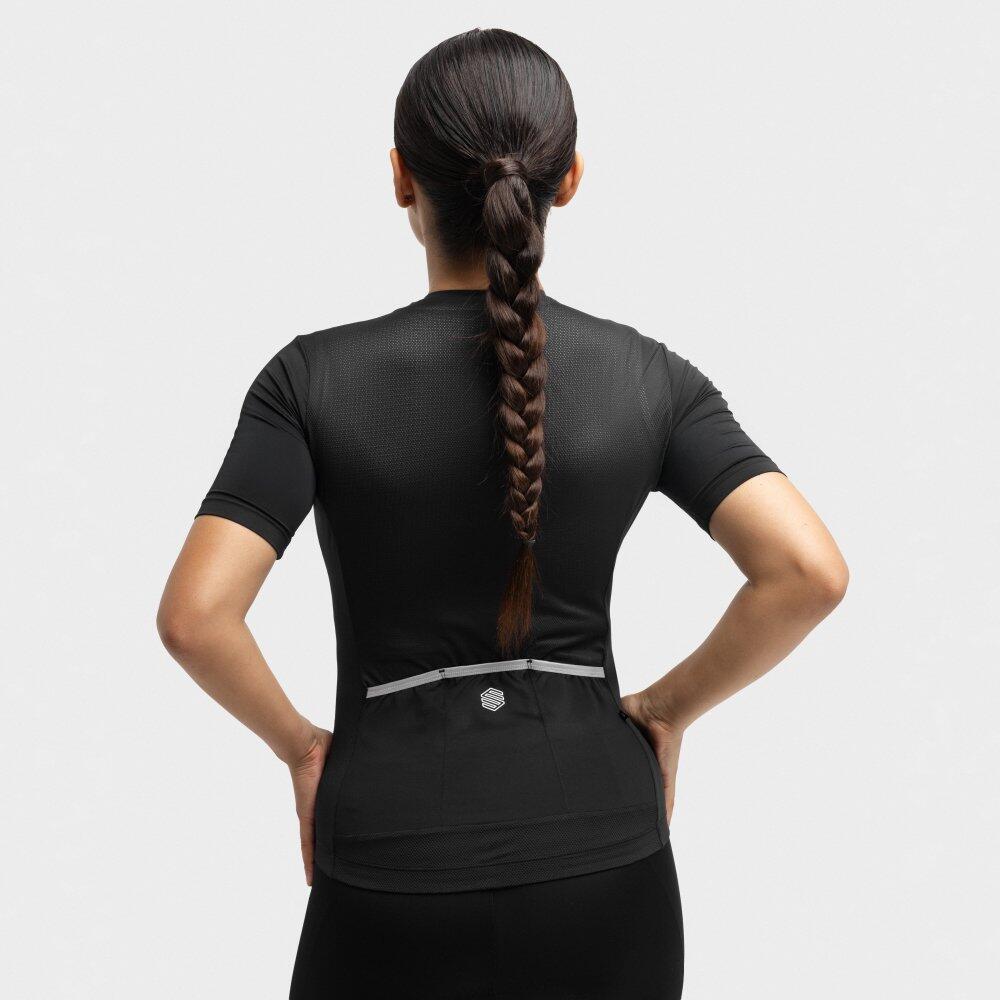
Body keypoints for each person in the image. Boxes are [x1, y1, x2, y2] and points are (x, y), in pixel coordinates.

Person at [157, 28, 848, 1000]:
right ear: (569, 179)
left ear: (401, 178)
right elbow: (807, 571)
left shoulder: (311, 380)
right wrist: (664, 710)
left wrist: (303, 748)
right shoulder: (648, 377)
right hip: (610, 862)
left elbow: (196, 617)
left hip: (390, 856)